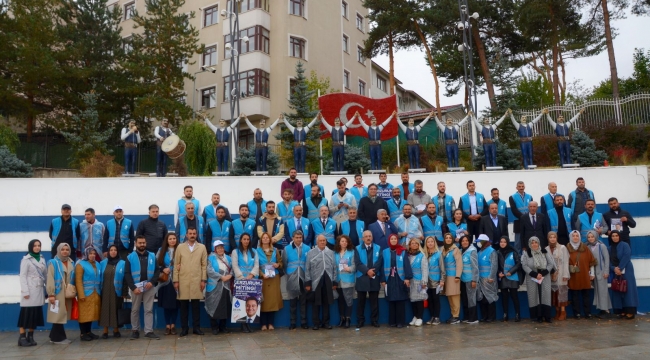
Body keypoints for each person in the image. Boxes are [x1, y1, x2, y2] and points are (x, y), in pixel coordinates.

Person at [173, 228, 207, 336]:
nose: (192, 235)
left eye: (194, 233)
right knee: (184, 306)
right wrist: (176, 280)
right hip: (183, 279)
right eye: (190, 233)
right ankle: (184, 329)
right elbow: (176, 264)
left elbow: (204, 265)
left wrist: (203, 280)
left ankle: (196, 328)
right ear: (186, 235)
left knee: (196, 306)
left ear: (196, 234)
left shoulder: (202, 247)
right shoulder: (180, 247)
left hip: (197, 280)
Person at [125, 236, 160, 340]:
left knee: (148, 310)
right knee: (135, 310)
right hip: (136, 288)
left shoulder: (152, 256)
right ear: (135, 243)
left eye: (143, 242)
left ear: (146, 243)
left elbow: (157, 271)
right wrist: (133, 287)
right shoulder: (130, 257)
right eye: (140, 243)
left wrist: (152, 282)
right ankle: (135, 331)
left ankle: (149, 331)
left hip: (149, 287)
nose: (142, 245)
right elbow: (127, 274)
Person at [18, 239, 47, 347]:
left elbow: (46, 274)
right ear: (31, 247)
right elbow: (22, 276)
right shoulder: (26, 259)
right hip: (29, 291)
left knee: (35, 314)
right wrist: (25, 291)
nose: (37, 247)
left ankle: (30, 336)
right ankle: (22, 337)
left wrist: (48, 290)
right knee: (26, 314)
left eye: (39, 245)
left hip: (39, 290)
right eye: (35, 246)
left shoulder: (42, 259)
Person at [380, 233, 413, 328]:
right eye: (392, 239)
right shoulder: (385, 251)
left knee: (400, 301)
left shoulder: (402, 251)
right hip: (389, 278)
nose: (393, 240)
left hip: (400, 278)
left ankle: (400, 322)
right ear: (389, 241)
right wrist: (383, 279)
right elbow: (382, 266)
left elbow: (406, 264)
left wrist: (407, 277)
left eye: (395, 239)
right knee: (391, 301)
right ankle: (392, 321)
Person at [305, 235, 338, 330]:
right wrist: (308, 283)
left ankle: (326, 322)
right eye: (320, 241)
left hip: (328, 279)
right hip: (316, 281)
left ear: (326, 241)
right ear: (317, 242)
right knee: (316, 303)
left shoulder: (331, 253)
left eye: (324, 240)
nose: (322, 242)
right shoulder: (311, 253)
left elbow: (334, 267)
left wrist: (334, 281)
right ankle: (316, 323)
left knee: (326, 303)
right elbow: (307, 268)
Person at [521, 237, 555, 323]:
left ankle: (547, 316)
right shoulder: (526, 253)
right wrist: (535, 274)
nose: (534, 244)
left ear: (539, 243)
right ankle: (536, 317)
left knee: (546, 296)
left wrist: (543, 273)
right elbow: (524, 265)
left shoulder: (544, 251)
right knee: (534, 296)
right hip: (532, 278)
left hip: (545, 277)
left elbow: (551, 263)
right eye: (532, 243)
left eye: (536, 242)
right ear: (530, 244)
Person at [46, 243, 74, 344]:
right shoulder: (53, 263)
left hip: (67, 292)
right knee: (58, 314)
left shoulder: (71, 262)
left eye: (67, 249)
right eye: (62, 249)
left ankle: (54, 335)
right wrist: (51, 294)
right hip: (57, 292)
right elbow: (50, 278)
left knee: (62, 314)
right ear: (58, 251)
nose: (65, 251)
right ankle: (58, 338)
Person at [354, 230, 383, 328]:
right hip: (361, 277)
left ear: (372, 237)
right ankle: (360, 320)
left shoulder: (378, 248)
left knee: (374, 301)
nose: (368, 238)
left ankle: (374, 320)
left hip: (374, 277)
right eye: (366, 236)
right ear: (363, 238)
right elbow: (357, 263)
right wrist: (367, 271)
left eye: (370, 236)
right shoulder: (357, 249)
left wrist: (372, 272)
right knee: (361, 302)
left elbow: (379, 262)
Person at [566, 230, 597, 320]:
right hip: (573, 275)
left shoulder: (585, 248)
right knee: (574, 295)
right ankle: (577, 313)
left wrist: (592, 273)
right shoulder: (567, 248)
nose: (575, 237)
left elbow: (591, 261)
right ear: (571, 237)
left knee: (586, 295)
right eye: (573, 236)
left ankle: (588, 313)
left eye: (577, 236)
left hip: (584, 275)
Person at [283, 230, 310, 330]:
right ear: (293, 238)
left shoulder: (307, 248)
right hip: (292, 277)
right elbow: (285, 263)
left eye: (300, 237)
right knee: (292, 302)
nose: (299, 239)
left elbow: (309, 263)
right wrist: (289, 273)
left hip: (303, 277)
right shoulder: (287, 249)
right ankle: (293, 322)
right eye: (297, 237)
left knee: (303, 302)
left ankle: (304, 322)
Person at [205, 240, 233, 335]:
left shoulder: (228, 258)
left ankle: (223, 326)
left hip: (225, 287)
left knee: (225, 307)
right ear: (215, 249)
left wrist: (229, 276)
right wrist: (221, 277)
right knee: (213, 306)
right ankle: (214, 327)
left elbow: (233, 268)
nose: (220, 249)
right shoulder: (210, 258)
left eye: (221, 247)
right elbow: (209, 271)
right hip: (214, 287)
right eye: (218, 248)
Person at [609, 231, 639, 319]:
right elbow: (608, 261)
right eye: (613, 236)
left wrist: (620, 268)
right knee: (618, 289)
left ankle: (630, 311)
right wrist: (614, 268)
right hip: (616, 271)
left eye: (616, 235)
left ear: (619, 236)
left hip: (627, 269)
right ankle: (621, 310)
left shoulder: (625, 245)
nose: (615, 237)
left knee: (628, 290)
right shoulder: (610, 248)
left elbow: (627, 255)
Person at [257, 232, 283, 330]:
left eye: (267, 238)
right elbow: (255, 265)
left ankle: (271, 323)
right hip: (263, 278)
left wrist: (278, 265)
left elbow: (281, 262)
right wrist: (261, 274)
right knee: (263, 301)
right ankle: (263, 324)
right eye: (263, 238)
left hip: (273, 278)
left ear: (270, 239)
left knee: (272, 301)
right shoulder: (257, 251)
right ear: (261, 240)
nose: (265, 239)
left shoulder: (275, 250)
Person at [99, 245, 126, 339]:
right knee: (105, 309)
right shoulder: (103, 263)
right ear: (108, 252)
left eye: (115, 250)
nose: (113, 252)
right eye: (111, 250)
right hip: (105, 290)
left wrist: (124, 292)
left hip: (117, 291)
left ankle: (116, 330)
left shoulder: (122, 263)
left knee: (115, 309)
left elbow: (125, 279)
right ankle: (105, 330)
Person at [75, 248, 102, 341]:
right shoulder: (80, 265)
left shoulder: (98, 264)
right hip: (85, 293)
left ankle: (88, 332)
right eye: (90, 253)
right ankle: (83, 333)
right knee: (84, 314)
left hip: (95, 293)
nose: (92, 255)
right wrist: (81, 294)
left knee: (91, 313)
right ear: (86, 254)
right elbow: (78, 281)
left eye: (94, 253)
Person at [157, 233, 179, 335]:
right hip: (165, 281)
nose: (172, 240)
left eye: (174, 238)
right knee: (166, 305)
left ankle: (173, 325)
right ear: (167, 240)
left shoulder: (180, 250)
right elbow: (156, 264)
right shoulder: (161, 250)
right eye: (170, 239)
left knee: (175, 305)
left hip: (176, 281)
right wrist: (163, 269)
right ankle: (167, 325)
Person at [585, 229, 612, 318]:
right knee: (597, 291)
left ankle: (606, 310)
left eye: (592, 237)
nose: (590, 238)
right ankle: (601, 309)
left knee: (603, 291)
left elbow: (606, 259)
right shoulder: (587, 247)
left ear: (596, 236)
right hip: (593, 273)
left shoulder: (601, 246)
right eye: (589, 237)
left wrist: (606, 271)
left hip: (601, 272)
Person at [334, 235, 357, 328]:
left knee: (348, 300)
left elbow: (355, 266)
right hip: (338, 280)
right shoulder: (335, 253)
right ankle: (342, 318)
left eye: (346, 241)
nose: (344, 243)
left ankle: (348, 318)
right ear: (339, 242)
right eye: (342, 241)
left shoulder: (352, 252)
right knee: (340, 301)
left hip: (348, 279)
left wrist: (349, 268)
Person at [546, 231, 569, 321]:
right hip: (551, 275)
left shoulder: (562, 248)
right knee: (554, 294)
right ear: (548, 239)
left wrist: (566, 274)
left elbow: (566, 261)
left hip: (561, 273)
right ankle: (557, 311)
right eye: (550, 237)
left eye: (554, 237)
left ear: (556, 238)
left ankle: (563, 311)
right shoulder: (546, 249)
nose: (552, 239)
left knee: (562, 293)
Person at [497, 236, 521, 322]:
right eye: (501, 242)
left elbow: (518, 264)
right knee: (504, 297)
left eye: (504, 242)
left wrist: (511, 271)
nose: (502, 243)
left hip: (513, 277)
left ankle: (517, 314)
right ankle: (505, 314)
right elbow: (497, 266)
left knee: (514, 296)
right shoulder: (498, 252)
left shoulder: (513, 252)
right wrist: (499, 273)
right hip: (503, 278)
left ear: (507, 243)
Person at [475, 234, 498, 322]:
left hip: (488, 279)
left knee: (490, 298)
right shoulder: (479, 252)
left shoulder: (492, 251)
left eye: (480, 241)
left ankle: (491, 317)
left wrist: (491, 277)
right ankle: (485, 316)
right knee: (482, 298)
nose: (479, 243)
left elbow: (494, 265)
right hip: (480, 278)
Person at [441, 233, 463, 324]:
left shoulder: (455, 249)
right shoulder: (442, 249)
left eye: (450, 238)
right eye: (447, 238)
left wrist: (458, 275)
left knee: (455, 296)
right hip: (446, 276)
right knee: (449, 296)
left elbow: (459, 263)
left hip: (453, 276)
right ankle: (453, 315)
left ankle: (456, 316)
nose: (448, 239)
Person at [406, 238, 428, 327]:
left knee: (419, 300)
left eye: (416, 243)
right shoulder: (408, 255)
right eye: (412, 243)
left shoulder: (422, 255)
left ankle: (420, 317)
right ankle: (415, 316)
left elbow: (425, 269)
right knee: (413, 299)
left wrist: (424, 281)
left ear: (418, 245)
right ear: (410, 245)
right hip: (411, 281)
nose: (414, 245)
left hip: (419, 280)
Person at [424, 236, 445, 325]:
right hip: (427, 281)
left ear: (434, 243)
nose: (430, 243)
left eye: (432, 241)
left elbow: (442, 268)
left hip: (436, 281)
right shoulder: (424, 254)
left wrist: (442, 280)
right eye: (428, 242)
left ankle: (437, 317)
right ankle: (432, 316)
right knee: (430, 300)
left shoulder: (439, 254)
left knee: (436, 300)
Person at [509, 181, 533, 254]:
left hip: (529, 221)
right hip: (518, 221)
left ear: (524, 187)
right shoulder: (512, 197)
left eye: (522, 186)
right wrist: (523, 217)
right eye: (519, 186)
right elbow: (514, 210)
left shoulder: (530, 196)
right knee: (518, 243)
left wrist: (527, 217)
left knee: (530, 240)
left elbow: (532, 208)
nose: (521, 188)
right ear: (516, 188)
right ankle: (518, 261)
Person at [458, 235, 478, 324]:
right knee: (465, 299)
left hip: (470, 279)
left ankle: (473, 318)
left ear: (469, 242)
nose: (465, 242)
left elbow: (475, 267)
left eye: (466, 240)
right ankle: (466, 316)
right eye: (463, 241)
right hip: (463, 279)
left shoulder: (472, 251)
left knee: (471, 299)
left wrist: (474, 280)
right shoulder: (461, 251)